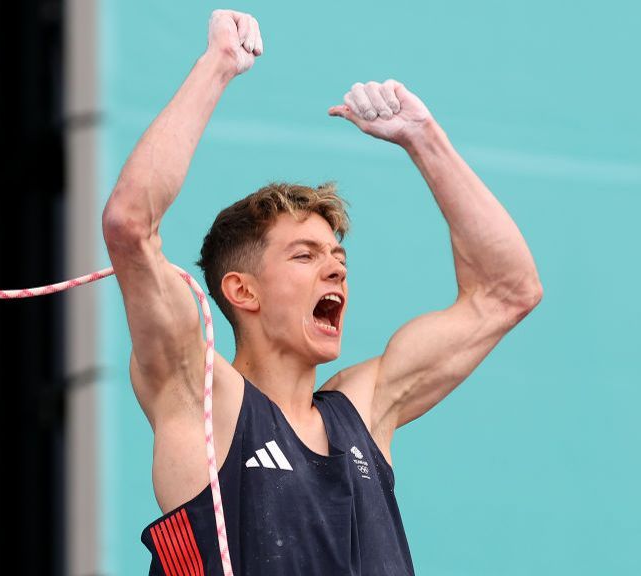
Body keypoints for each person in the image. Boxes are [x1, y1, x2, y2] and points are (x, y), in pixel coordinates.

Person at [101, 9, 542, 575]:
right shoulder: (202, 398)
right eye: (305, 256)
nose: (335, 271)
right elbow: (130, 228)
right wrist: (216, 68)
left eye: (338, 258)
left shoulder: (365, 410)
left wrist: (424, 139)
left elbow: (508, 292)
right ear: (242, 290)